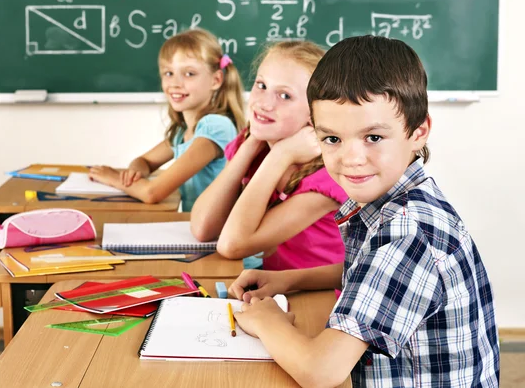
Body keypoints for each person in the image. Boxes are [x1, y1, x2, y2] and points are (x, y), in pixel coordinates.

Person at [228, 36, 500, 388]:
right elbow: (369, 271)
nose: (351, 159)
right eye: (332, 139)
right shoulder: (398, 197)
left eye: (373, 137)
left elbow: (320, 371)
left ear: (419, 132)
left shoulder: (407, 232)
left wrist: (267, 320)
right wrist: (290, 280)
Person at [191, 41, 347, 271]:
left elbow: (232, 245)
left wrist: (281, 155)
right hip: (273, 289)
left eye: (284, 95)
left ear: (317, 113)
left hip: (319, 300)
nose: (264, 103)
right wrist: (252, 142)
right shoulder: (258, 146)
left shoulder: (327, 177)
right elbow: (204, 228)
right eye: (261, 85)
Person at [89, 28, 245, 212]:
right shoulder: (182, 132)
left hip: (217, 238)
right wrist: (136, 170)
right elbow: (144, 161)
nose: (175, 83)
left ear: (216, 80)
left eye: (189, 74)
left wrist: (114, 178)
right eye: (168, 73)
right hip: (192, 229)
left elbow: (152, 193)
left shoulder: (216, 127)